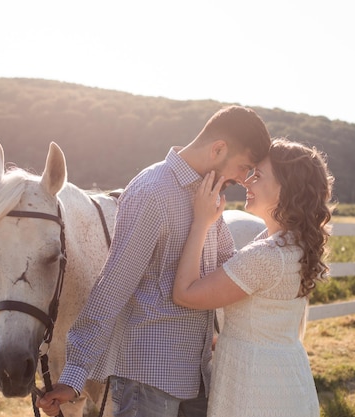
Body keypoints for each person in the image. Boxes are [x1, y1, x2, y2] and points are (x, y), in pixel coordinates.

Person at [37, 105, 271, 417]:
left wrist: (283, 245)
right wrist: (74, 375)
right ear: (218, 149)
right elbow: (113, 287)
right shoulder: (152, 191)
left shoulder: (208, 193)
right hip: (148, 382)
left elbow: (228, 263)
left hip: (197, 374)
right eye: (244, 167)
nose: (244, 179)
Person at [172, 138, 334, 417]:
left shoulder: (266, 256)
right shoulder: (294, 245)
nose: (247, 182)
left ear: (286, 189)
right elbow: (262, 318)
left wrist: (201, 221)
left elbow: (184, 293)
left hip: (255, 388)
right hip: (286, 377)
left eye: (258, 176)